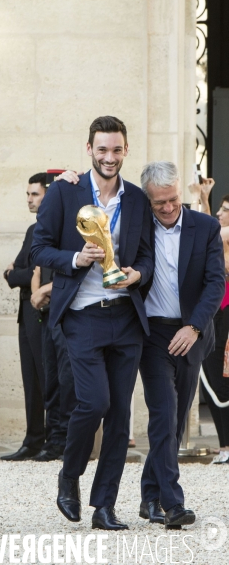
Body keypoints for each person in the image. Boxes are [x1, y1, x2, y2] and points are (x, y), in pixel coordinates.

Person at [31, 115, 153, 530]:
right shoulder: (64, 193)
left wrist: (138, 274)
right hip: (82, 317)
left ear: (125, 150)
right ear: (89, 150)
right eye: (102, 149)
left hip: (126, 318)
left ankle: (104, 505)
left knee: (119, 415)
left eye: (117, 149)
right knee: (94, 402)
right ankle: (70, 475)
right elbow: (38, 248)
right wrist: (73, 260)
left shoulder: (136, 199)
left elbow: (149, 256)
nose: (110, 157)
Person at [138, 162, 225, 529]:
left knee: (174, 423)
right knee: (164, 414)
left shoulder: (205, 227)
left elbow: (215, 284)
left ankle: (147, 495)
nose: (169, 207)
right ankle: (172, 503)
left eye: (173, 199)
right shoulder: (137, 227)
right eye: (160, 203)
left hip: (193, 333)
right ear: (148, 200)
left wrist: (194, 327)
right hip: (153, 334)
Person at [0, 173, 47, 461]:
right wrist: (18, 274)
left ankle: (51, 440)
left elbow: (30, 272)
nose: (29, 200)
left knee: (46, 378)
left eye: (35, 194)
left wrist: (15, 274)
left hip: (42, 312)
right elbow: (20, 272)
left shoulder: (51, 229)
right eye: (28, 194)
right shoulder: (33, 229)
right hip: (25, 313)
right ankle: (33, 439)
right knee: (31, 381)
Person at [30, 265, 77, 461]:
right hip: (48, 313)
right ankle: (54, 440)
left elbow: (79, 273)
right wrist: (36, 294)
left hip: (68, 313)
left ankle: (68, 441)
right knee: (51, 379)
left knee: (67, 379)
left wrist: (45, 289)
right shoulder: (46, 242)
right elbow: (37, 272)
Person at [199, 194, 229, 463]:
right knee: (211, 381)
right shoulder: (218, 239)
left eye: (226, 210)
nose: (220, 213)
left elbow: (214, 231)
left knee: (223, 381)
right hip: (215, 315)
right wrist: (203, 198)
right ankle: (224, 446)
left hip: (226, 317)